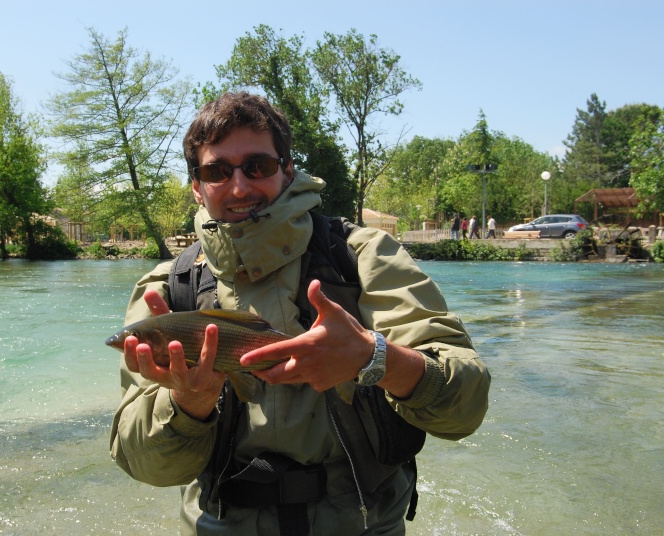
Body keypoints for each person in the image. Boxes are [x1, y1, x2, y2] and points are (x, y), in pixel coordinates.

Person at [110, 92, 491, 535]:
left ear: (287, 170)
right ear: (196, 185)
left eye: (258, 166)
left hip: (365, 523)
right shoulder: (166, 287)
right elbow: (145, 466)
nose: (239, 186)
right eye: (217, 171)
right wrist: (188, 403)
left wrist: (374, 358)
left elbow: (467, 408)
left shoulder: (362, 255)